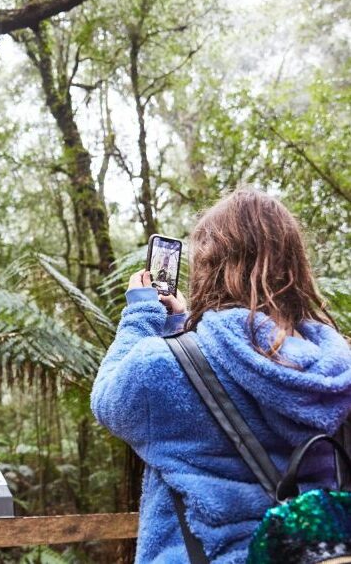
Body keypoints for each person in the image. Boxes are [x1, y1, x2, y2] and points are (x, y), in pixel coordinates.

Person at [90, 188, 351, 563]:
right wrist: (180, 327)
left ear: (210, 265)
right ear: (294, 264)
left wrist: (140, 317)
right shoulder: (339, 370)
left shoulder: (160, 368)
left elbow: (108, 399)